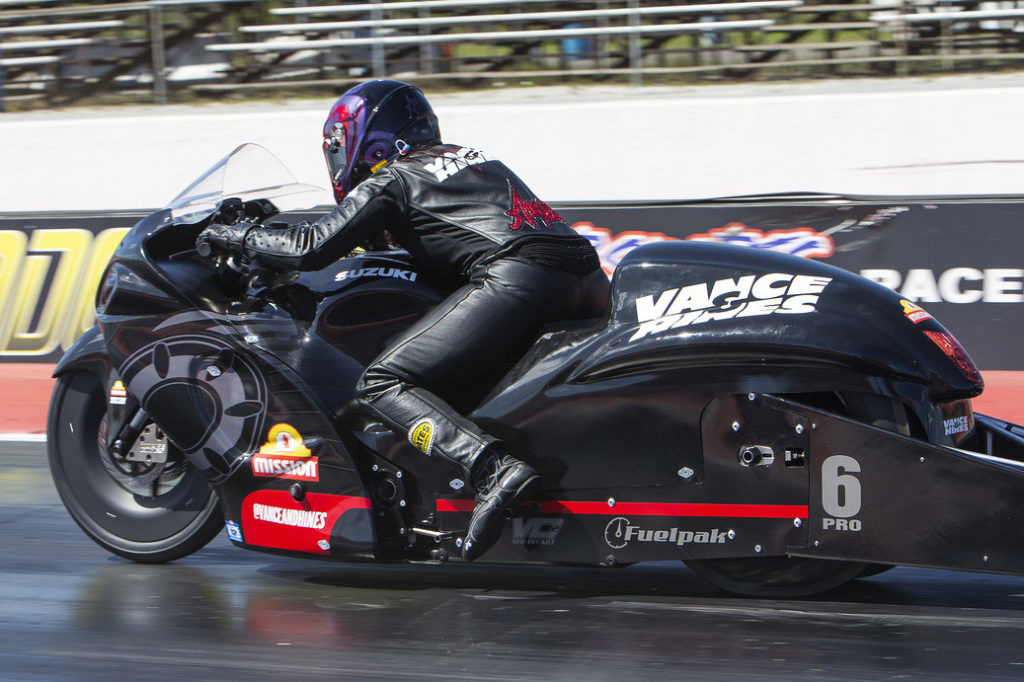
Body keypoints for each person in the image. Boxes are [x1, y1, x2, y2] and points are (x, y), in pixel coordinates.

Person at [197, 79, 609, 561]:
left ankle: (491, 468)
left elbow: (310, 247)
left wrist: (235, 234)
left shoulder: (392, 177)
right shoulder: (468, 156)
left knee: (381, 382)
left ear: (363, 140)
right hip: (584, 276)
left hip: (521, 276)